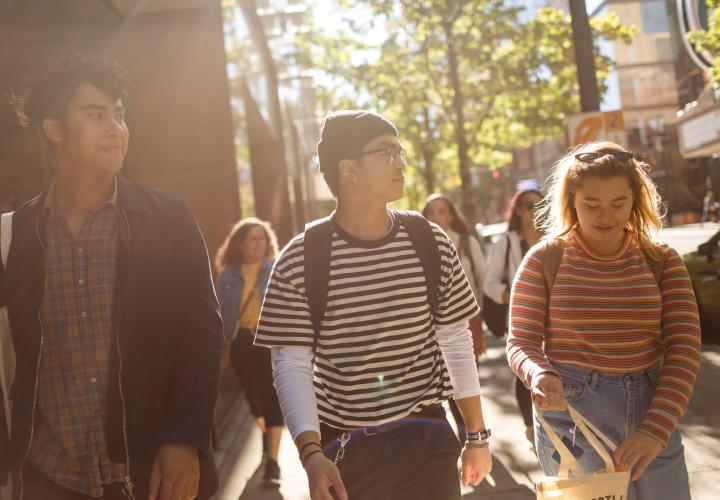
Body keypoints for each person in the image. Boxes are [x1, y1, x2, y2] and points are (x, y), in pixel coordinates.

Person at [0, 54, 223, 500]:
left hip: (151, 472)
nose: (116, 128)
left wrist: (184, 438)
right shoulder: (17, 234)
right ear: (54, 129)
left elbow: (202, 333)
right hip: (49, 475)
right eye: (95, 115)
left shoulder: (168, 218)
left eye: (119, 115)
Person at [254, 110, 493, 499]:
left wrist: (477, 436)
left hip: (427, 439)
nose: (400, 161)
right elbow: (291, 363)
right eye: (385, 152)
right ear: (348, 169)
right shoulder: (300, 259)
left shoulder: (430, 242)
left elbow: (455, 340)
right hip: (345, 451)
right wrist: (312, 455)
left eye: (400, 150)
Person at [507, 142, 701, 500]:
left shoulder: (662, 260)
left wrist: (656, 428)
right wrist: (539, 373)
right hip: (571, 420)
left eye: (618, 204)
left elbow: (685, 347)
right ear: (571, 201)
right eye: (591, 205)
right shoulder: (543, 260)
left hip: (653, 410)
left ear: (635, 201)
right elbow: (521, 341)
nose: (605, 217)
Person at [214, 218, 284, 486]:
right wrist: (222, 345)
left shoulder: (274, 269)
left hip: (268, 340)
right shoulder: (228, 275)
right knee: (253, 398)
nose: (258, 243)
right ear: (240, 244)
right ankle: (269, 440)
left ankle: (273, 462)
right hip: (241, 342)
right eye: (253, 238)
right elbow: (219, 313)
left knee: (270, 395)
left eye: (262, 238)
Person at [421, 193, 486, 438]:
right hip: (431, 327)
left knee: (466, 375)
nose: (436, 216)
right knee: (443, 378)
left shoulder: (466, 242)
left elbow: (482, 277)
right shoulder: (420, 244)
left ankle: (472, 429)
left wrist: (480, 314)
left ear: (451, 215)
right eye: (431, 212)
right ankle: (462, 432)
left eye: (441, 211)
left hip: (466, 321)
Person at [483, 189, 543, 446]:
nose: (535, 210)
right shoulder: (506, 243)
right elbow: (489, 283)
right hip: (520, 317)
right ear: (518, 210)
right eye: (529, 206)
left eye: (541, 205)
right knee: (525, 373)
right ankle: (531, 426)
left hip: (555, 316)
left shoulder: (554, 237)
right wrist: (511, 295)